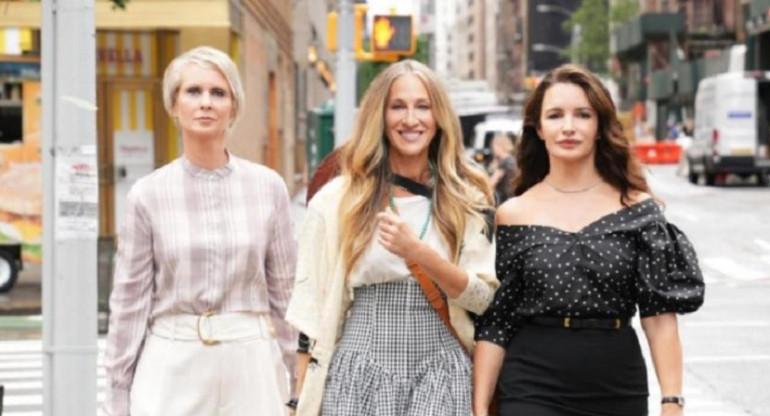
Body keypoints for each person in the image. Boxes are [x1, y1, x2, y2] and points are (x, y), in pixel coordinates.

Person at [473, 64, 705, 416]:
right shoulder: (513, 213)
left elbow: (658, 316)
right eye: (555, 115)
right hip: (531, 385)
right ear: (539, 128)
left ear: (599, 126)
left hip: (616, 385)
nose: (569, 127)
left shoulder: (638, 210)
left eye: (582, 115)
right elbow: (499, 321)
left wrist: (672, 401)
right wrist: (479, 406)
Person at [285, 59, 499, 416]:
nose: (410, 120)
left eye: (423, 107)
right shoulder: (337, 200)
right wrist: (298, 401)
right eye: (397, 107)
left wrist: (418, 252)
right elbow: (310, 314)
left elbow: (482, 298)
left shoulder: (467, 199)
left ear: (439, 117)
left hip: (441, 370)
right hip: (359, 370)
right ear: (379, 117)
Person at [103, 46, 297, 416]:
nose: (205, 102)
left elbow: (286, 294)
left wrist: (300, 377)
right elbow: (129, 302)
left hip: (251, 361)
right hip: (172, 360)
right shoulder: (148, 194)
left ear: (234, 108)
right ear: (174, 105)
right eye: (193, 91)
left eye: (218, 93)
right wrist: (117, 393)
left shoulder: (268, 187)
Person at [488, 132, 517, 205]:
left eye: (494, 147)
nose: (493, 150)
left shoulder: (504, 162)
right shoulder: (512, 159)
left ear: (500, 147)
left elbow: (493, 181)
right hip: (512, 196)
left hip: (503, 197)